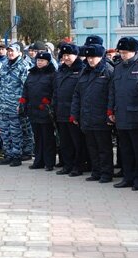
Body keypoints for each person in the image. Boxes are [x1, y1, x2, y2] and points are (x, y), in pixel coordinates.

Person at [108, 36, 138, 190]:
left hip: (136, 116)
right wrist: (110, 110)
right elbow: (113, 91)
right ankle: (128, 177)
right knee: (124, 149)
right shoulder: (118, 67)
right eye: (121, 52)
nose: (123, 55)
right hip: (121, 115)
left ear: (134, 52)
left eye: (126, 52)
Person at [71, 44, 115, 184]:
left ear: (100, 57)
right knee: (92, 147)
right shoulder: (85, 72)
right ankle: (96, 172)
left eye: (93, 57)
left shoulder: (107, 71)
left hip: (101, 117)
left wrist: (110, 113)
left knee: (104, 148)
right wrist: (75, 114)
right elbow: (77, 94)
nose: (90, 60)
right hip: (87, 116)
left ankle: (106, 174)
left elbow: (112, 95)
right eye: (89, 57)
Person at [0, 43, 29, 167]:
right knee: (5, 131)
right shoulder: (4, 66)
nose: (10, 53)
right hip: (3, 105)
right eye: (8, 51)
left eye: (12, 51)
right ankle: (8, 155)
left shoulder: (23, 66)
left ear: (19, 53)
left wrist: (22, 104)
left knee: (16, 132)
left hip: (15, 105)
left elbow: (26, 87)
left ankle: (17, 156)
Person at [53, 43, 86, 176]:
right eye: (64, 55)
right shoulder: (61, 70)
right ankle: (67, 165)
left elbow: (82, 94)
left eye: (69, 55)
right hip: (61, 111)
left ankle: (78, 166)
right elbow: (56, 90)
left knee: (76, 141)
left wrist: (77, 113)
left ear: (76, 55)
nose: (66, 58)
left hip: (74, 112)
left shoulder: (82, 69)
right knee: (65, 142)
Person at [21, 51, 56, 171]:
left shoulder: (52, 74)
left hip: (45, 111)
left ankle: (49, 162)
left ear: (47, 62)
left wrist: (48, 103)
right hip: (33, 109)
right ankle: (38, 161)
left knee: (47, 138)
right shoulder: (32, 74)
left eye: (42, 61)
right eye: (38, 60)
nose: (39, 62)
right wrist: (23, 101)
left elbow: (54, 92)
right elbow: (26, 89)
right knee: (38, 137)